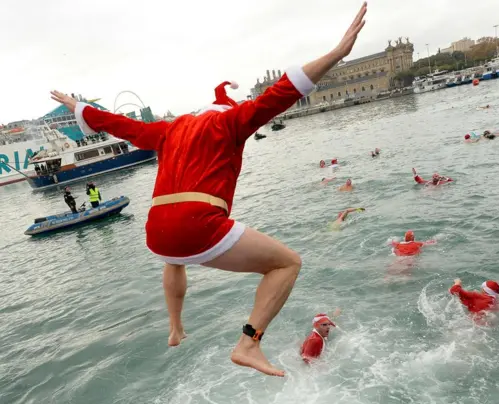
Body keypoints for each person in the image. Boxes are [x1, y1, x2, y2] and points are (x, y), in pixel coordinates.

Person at [50, 1, 368, 378]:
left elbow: (119, 124)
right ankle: (249, 342)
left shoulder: (170, 128)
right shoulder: (230, 121)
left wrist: (78, 106)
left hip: (156, 231)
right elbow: (281, 92)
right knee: (287, 263)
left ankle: (175, 326)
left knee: (174, 258)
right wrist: (336, 53)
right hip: (196, 223)